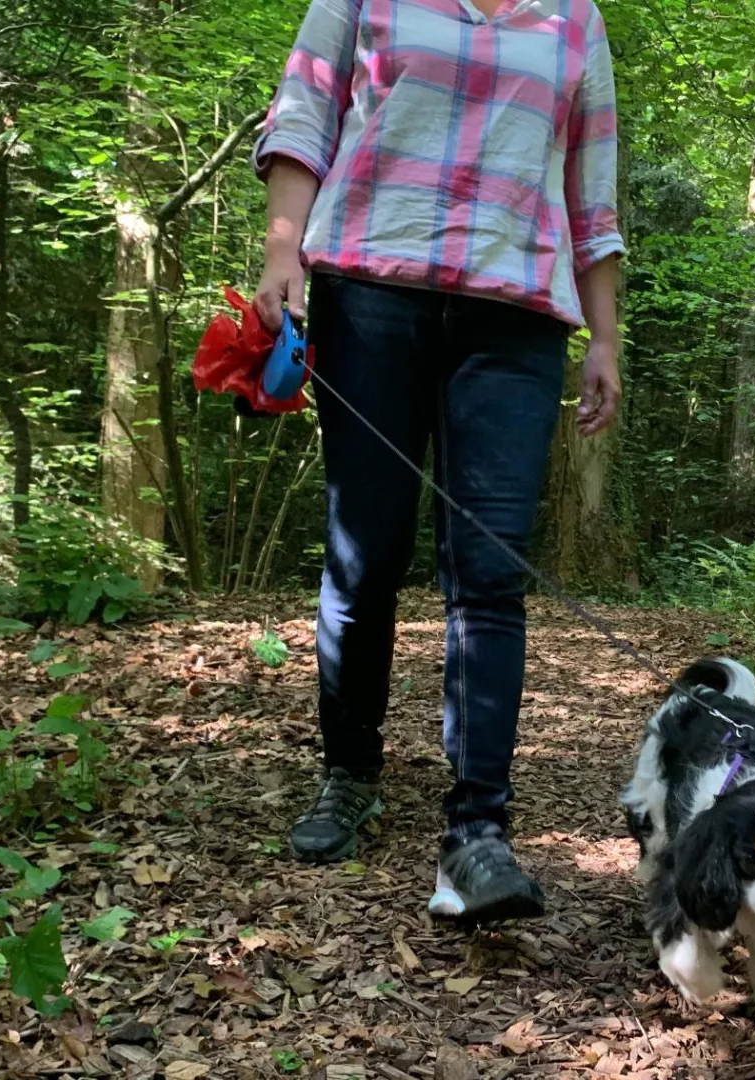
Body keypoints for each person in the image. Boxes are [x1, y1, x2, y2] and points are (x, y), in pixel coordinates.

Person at [251, 0, 624, 923]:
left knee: (490, 571)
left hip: (517, 314)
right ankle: (350, 774)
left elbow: (592, 181)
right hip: (370, 292)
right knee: (364, 554)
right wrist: (282, 250)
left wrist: (605, 336)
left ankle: (479, 831)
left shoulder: (575, 16)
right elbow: (305, 111)